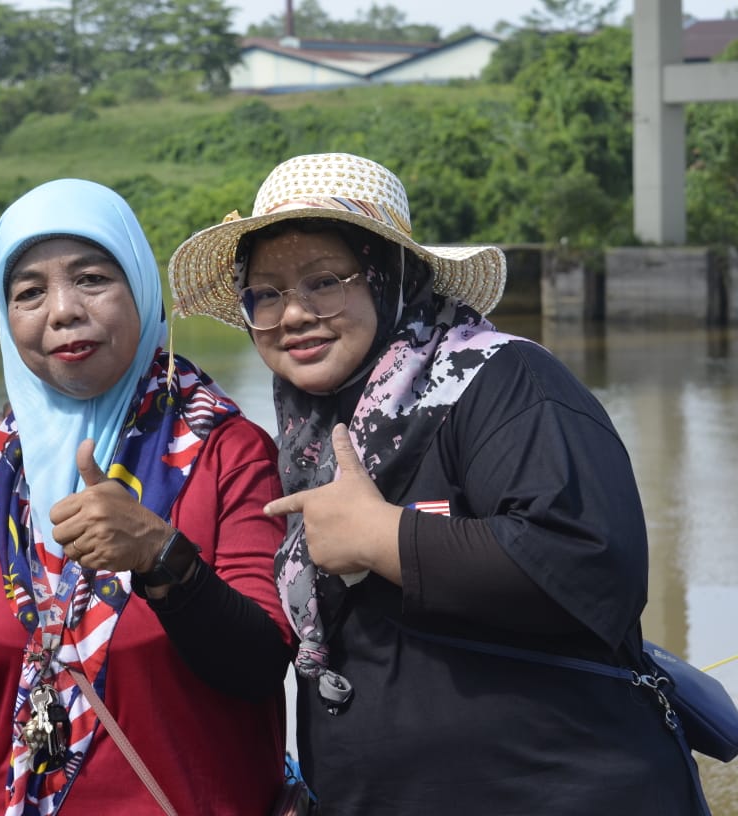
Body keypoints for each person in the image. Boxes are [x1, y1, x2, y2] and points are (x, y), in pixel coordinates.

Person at [167, 152, 700, 814]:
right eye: (267, 294)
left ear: (391, 276)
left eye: (324, 281)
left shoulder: (505, 382)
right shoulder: (310, 434)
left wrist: (385, 537)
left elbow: (592, 564)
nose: (293, 313)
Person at [0, 178, 293, 815]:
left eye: (92, 278)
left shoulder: (228, 455)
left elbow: (259, 666)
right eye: (29, 292)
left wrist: (162, 555)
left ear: (142, 288)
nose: (63, 311)